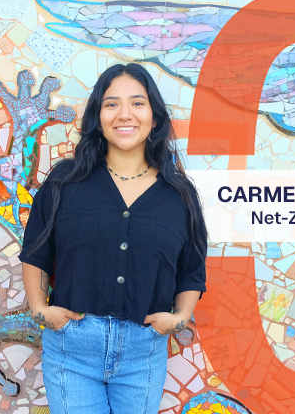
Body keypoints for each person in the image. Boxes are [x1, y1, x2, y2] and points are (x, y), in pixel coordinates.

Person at [19, 63, 208, 413]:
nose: (125, 114)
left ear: (154, 115)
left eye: (137, 103)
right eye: (111, 104)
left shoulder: (179, 195)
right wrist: (39, 308)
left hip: (143, 353)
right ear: (98, 115)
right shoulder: (66, 181)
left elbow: (192, 270)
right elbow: (36, 252)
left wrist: (178, 318)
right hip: (72, 349)